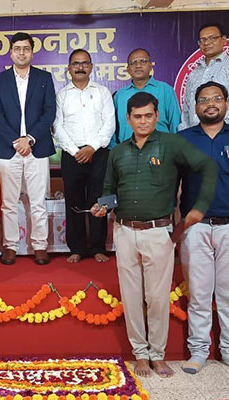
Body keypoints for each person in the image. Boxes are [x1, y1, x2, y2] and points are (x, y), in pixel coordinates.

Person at [91, 92, 217, 378]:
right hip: (124, 231)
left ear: (157, 116)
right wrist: (102, 206)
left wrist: (199, 207)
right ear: (128, 119)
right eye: (137, 116)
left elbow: (208, 167)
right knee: (131, 296)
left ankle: (157, 355)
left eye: (149, 115)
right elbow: (109, 189)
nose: (143, 121)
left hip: (159, 232)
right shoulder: (117, 152)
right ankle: (140, 354)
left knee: (158, 298)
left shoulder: (172, 144)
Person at [0, 32, 56, 265]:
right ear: (11, 53)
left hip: (37, 148)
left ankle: (39, 245)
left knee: (37, 201)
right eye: (17, 48)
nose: (21, 52)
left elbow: (49, 112)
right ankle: (10, 245)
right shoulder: (0, 80)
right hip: (9, 149)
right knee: (9, 202)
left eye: (26, 48)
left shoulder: (44, 78)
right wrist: (16, 141)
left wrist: (30, 139)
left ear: (32, 52)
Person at [179, 81, 229, 373]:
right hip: (195, 227)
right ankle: (198, 351)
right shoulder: (183, 139)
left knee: (227, 294)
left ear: (225, 103)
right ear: (195, 106)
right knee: (198, 294)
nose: (211, 104)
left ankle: (228, 350)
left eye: (216, 98)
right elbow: (172, 184)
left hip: (228, 226)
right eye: (204, 100)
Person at [53, 49, 115, 263]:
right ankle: (77, 248)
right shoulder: (62, 95)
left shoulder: (102, 92)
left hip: (99, 152)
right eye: (76, 63)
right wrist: (75, 151)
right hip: (72, 154)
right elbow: (57, 126)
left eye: (84, 63)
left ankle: (98, 247)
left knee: (100, 200)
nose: (80, 67)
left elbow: (109, 123)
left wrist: (92, 147)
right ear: (69, 68)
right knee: (74, 201)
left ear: (91, 67)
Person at [111, 48, 180, 147]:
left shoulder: (166, 90)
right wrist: (115, 149)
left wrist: (174, 149)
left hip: (161, 149)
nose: (138, 65)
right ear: (128, 69)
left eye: (143, 61)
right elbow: (112, 128)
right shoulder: (119, 95)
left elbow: (176, 124)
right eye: (133, 63)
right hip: (127, 151)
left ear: (150, 66)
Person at [180, 23, 229, 130]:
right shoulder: (194, 73)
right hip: (194, 134)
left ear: (224, 40)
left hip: (224, 133)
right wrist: (185, 132)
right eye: (202, 40)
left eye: (212, 38)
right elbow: (187, 109)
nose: (206, 43)